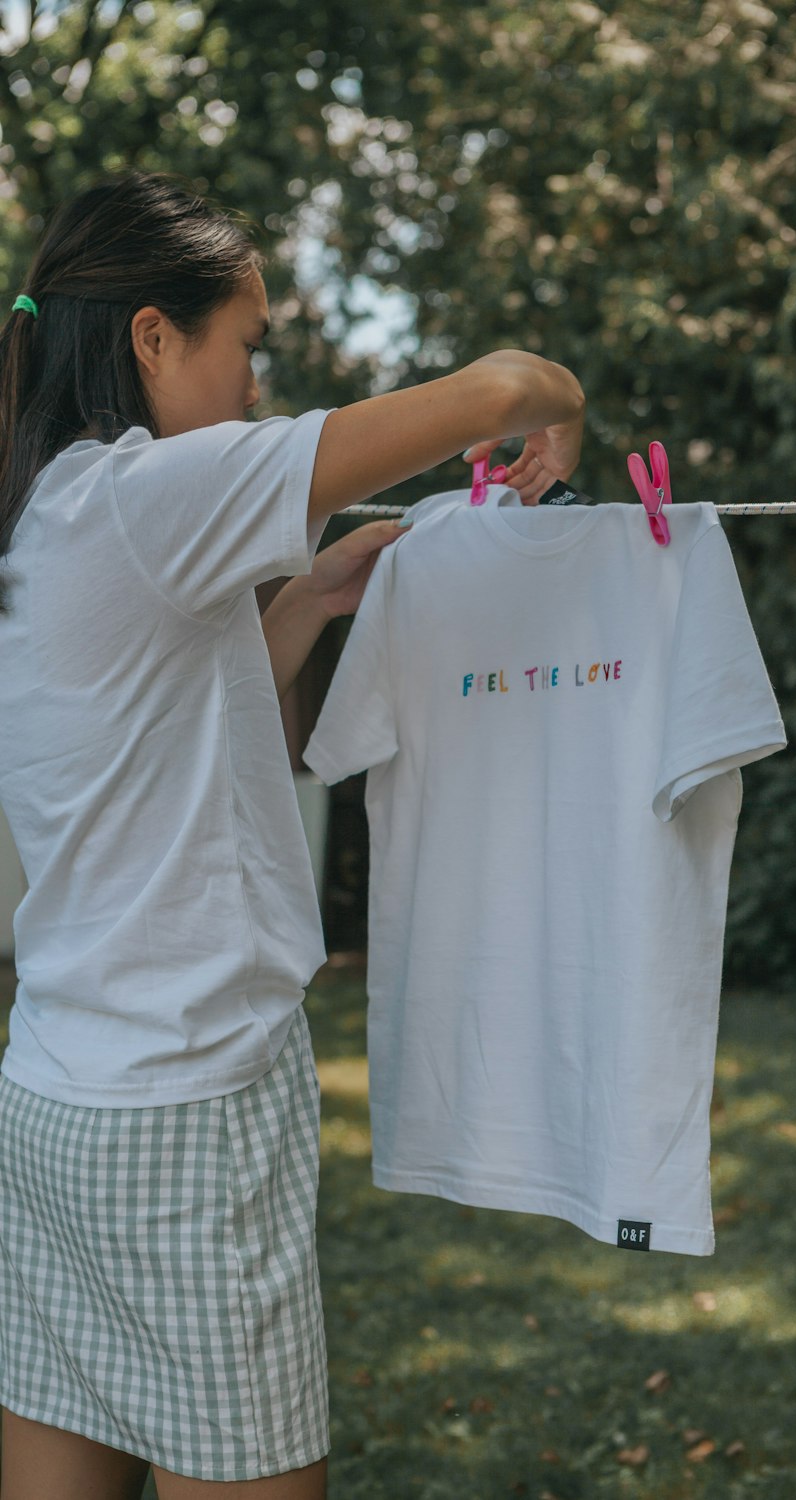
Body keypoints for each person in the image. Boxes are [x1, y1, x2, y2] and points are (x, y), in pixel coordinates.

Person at [0, 170, 584, 1500]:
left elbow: (147, 747)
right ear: (154, 335)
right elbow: (501, 391)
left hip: (50, 1103)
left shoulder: (43, 511)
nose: (257, 385)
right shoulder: (148, 497)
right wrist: (566, 407)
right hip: (190, 1108)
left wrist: (310, 600)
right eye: (247, 347)